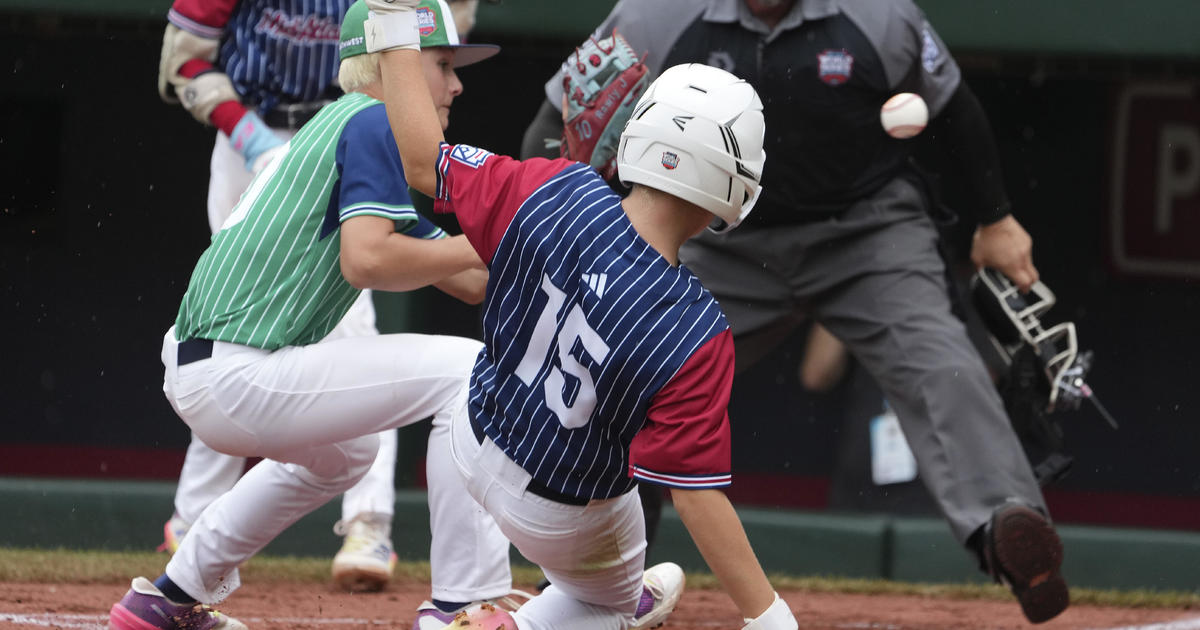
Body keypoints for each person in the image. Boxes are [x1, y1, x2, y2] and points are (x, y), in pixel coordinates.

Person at [520, 0, 1069, 624]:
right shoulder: (654, 14)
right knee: (625, 371)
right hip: (714, 236)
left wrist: (994, 216)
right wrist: (567, 228)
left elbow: (953, 107)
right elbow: (560, 121)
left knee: (939, 361)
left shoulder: (880, 15)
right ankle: (603, 582)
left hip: (865, 232)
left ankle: (1009, 528)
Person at [365, 4, 801, 628]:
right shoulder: (696, 330)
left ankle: (478, 610)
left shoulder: (551, 186)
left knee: (607, 579)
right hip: (563, 513)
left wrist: (396, 32)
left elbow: (419, 159)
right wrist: (768, 614)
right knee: (613, 606)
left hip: (472, 438)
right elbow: (697, 496)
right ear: (731, 190)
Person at [109, 3, 514, 629]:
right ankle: (466, 604)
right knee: (472, 371)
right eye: (441, 64)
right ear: (392, 64)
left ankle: (174, 593)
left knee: (349, 453)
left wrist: (545, 238)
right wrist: (507, 231)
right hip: (238, 368)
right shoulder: (374, 121)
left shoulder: (346, 124)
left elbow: (469, 279)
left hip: (209, 368)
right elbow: (368, 260)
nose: (456, 84)